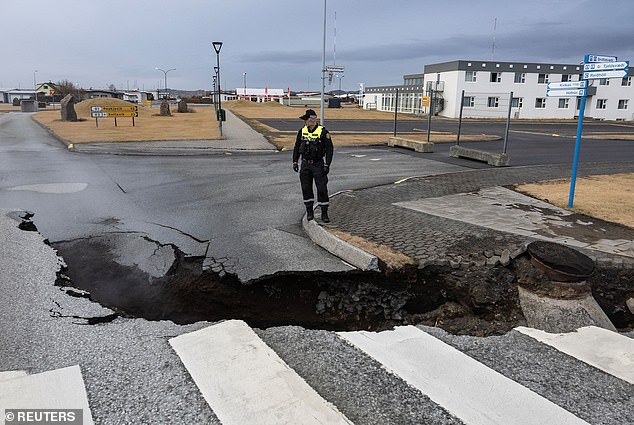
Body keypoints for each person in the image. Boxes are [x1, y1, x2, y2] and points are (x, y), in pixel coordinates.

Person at [292, 109, 334, 222]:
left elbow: (329, 149)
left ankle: (324, 213)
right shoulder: (302, 131)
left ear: (313, 119)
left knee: (322, 189)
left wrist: (327, 164)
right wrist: (295, 161)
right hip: (305, 164)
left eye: (306, 119)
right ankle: (309, 212)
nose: (305, 121)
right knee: (306, 188)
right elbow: (296, 146)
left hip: (318, 164)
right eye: (305, 119)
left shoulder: (323, 132)